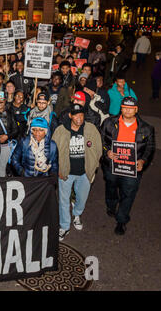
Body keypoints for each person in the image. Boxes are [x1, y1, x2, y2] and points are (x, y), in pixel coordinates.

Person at [101, 97, 155, 235]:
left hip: (132, 170)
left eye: (131, 108)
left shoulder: (146, 128)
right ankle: (111, 205)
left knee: (128, 194)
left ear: (136, 109)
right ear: (121, 108)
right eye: (125, 107)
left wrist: (143, 161)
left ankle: (121, 220)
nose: (127, 110)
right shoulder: (109, 123)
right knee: (111, 188)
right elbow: (100, 142)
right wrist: (107, 153)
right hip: (112, 166)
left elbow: (150, 148)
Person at [52, 103, 103, 241]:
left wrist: (93, 167)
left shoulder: (91, 129)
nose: (79, 118)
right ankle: (64, 226)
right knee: (63, 201)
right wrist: (57, 170)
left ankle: (77, 214)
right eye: (76, 115)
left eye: (81, 115)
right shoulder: (61, 131)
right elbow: (53, 151)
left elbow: (98, 149)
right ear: (70, 116)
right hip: (65, 173)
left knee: (81, 198)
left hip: (84, 173)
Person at [0, 94, 19, 177]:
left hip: (5, 146)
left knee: (2, 169)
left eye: (1, 101)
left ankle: (0, 188)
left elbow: (16, 130)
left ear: (5, 102)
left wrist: (7, 136)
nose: (0, 103)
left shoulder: (10, 114)